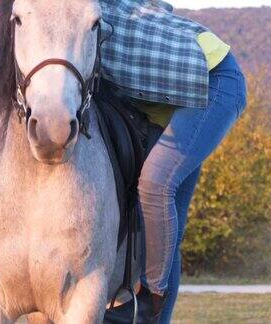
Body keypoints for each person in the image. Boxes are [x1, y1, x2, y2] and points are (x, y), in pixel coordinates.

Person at [100, 1, 247, 323]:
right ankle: (151, 315)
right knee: (162, 228)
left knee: (155, 185)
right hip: (163, 109)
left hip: (213, 80)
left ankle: (148, 304)